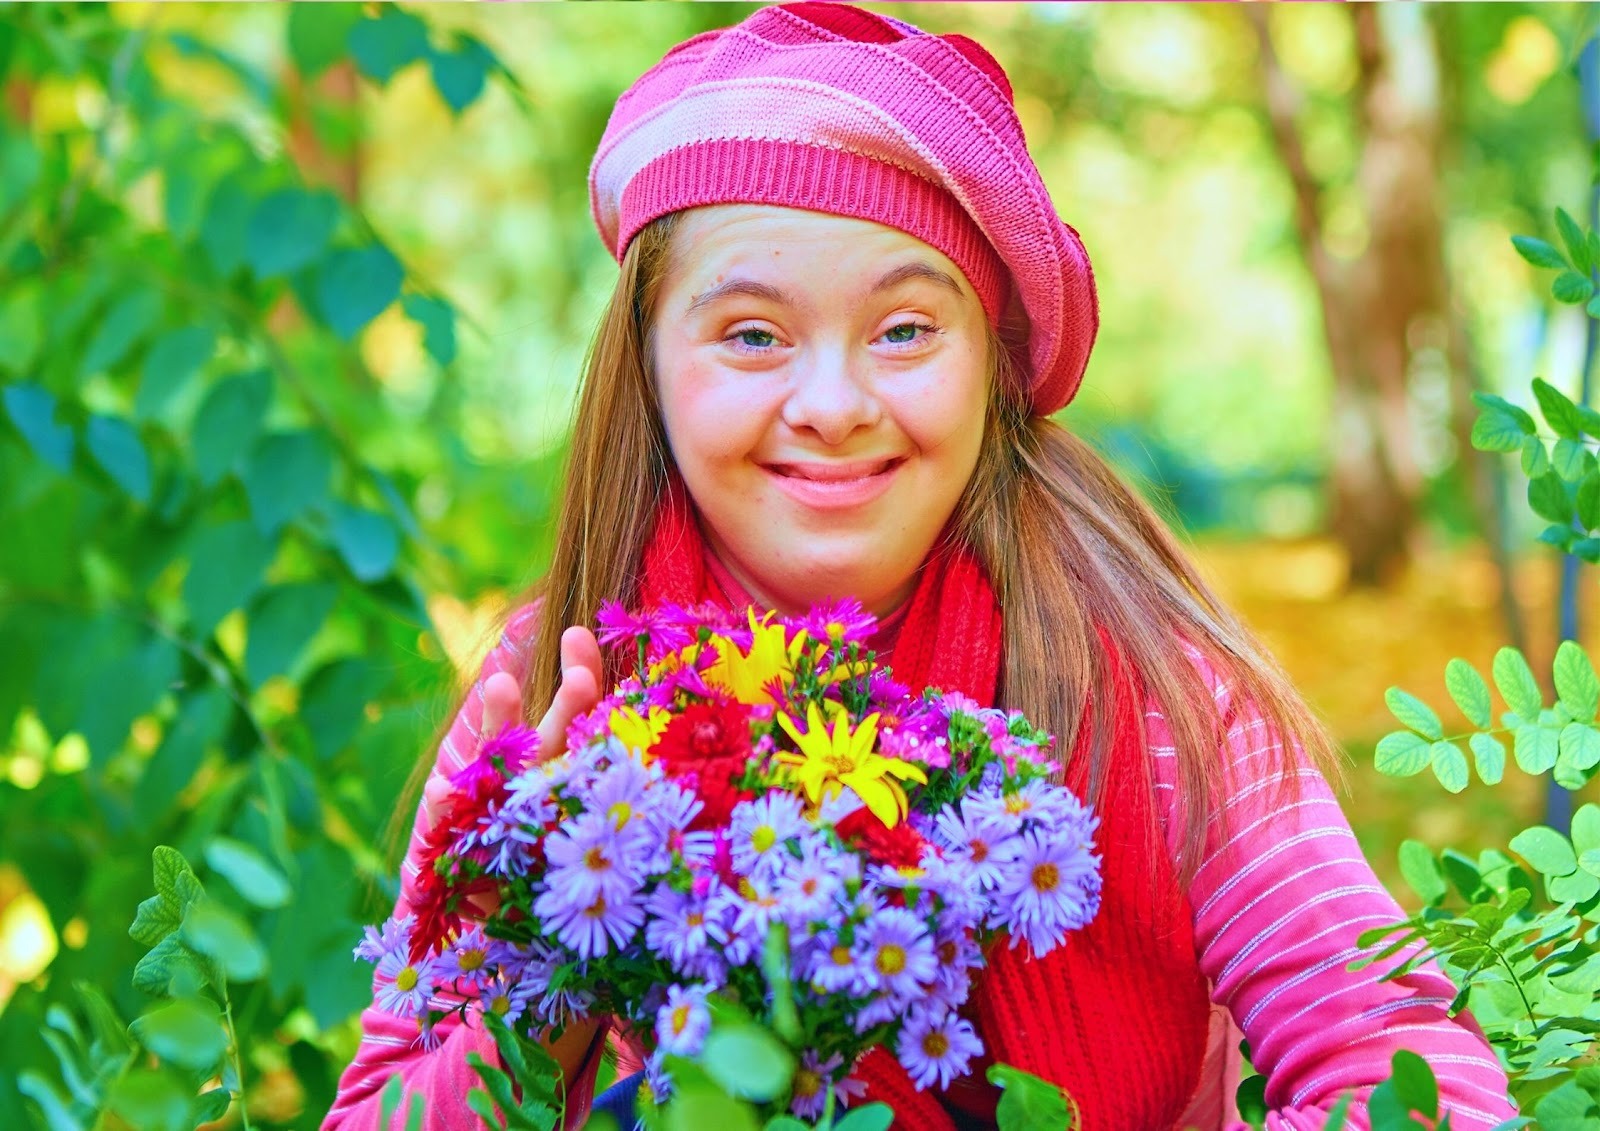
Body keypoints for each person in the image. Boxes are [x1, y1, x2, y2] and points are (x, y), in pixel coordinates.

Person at [324, 5, 1516, 1128]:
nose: (834, 405)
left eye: (903, 330)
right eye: (752, 335)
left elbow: (1421, 1084)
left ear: (990, 363)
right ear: (646, 367)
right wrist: (551, 941)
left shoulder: (1157, 700)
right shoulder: (552, 697)